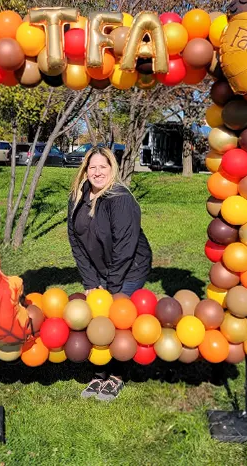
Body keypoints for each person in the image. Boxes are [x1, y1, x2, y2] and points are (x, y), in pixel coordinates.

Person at [67, 146, 152, 401]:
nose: (97, 172)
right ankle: (98, 372)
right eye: (92, 167)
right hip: (100, 266)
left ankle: (116, 375)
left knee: (118, 318)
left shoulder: (120, 197)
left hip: (130, 267)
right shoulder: (78, 196)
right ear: (85, 170)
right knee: (96, 317)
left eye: (103, 166)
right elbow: (76, 241)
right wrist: (91, 282)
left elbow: (125, 247)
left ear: (111, 168)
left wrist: (112, 287)